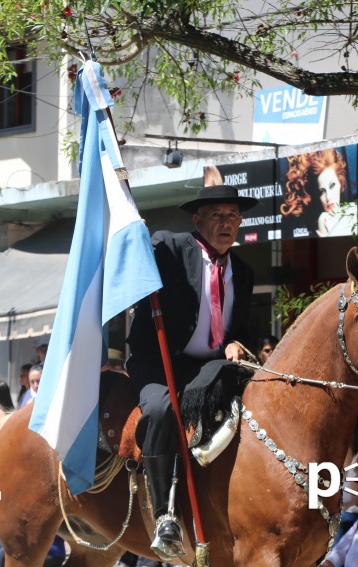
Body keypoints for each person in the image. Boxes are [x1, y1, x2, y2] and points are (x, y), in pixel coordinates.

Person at [126, 184, 257, 559]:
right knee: (161, 410)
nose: (226, 222)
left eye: (232, 215)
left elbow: (242, 330)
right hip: (159, 362)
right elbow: (139, 258)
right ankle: (164, 514)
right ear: (198, 221)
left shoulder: (243, 272)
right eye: (216, 215)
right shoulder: (170, 247)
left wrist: (236, 343)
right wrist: (133, 235)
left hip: (211, 367)